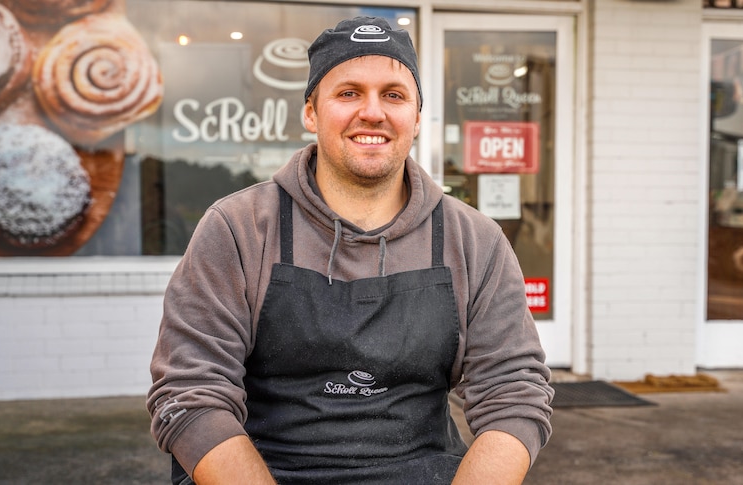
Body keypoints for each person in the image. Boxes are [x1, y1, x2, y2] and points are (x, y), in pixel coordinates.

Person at [147, 16, 553, 485]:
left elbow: (514, 392)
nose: (373, 112)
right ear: (311, 113)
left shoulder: (474, 240)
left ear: (417, 116)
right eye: (348, 92)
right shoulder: (238, 228)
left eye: (394, 95)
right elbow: (190, 391)